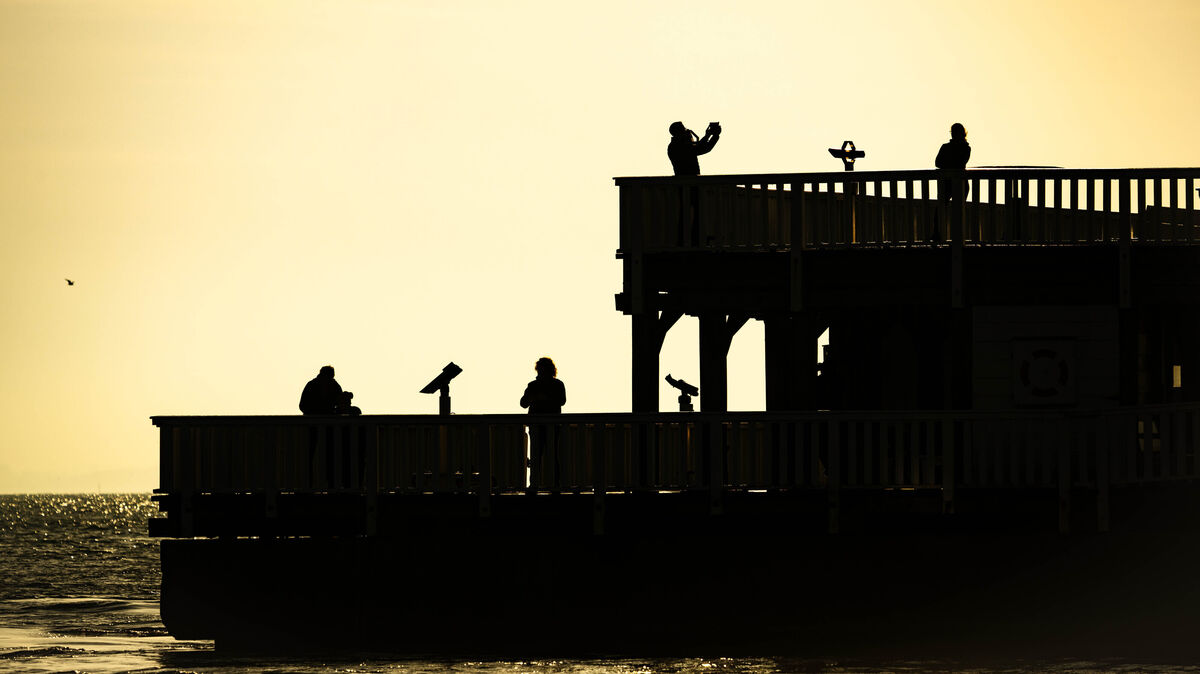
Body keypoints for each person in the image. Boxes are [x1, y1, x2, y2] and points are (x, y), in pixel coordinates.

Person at [521, 357, 566, 494]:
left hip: (549, 426)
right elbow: (523, 403)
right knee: (539, 455)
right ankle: (540, 484)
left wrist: (543, 397)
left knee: (546, 455)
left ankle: (549, 484)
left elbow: (562, 401)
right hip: (538, 426)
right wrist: (534, 397)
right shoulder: (534, 385)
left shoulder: (555, 385)